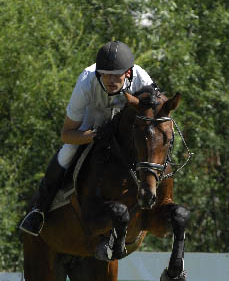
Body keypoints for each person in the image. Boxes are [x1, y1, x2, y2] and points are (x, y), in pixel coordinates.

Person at [18, 40, 158, 236]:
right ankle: (39, 209)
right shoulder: (86, 82)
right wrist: (94, 135)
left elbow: (157, 116)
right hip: (92, 122)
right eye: (105, 74)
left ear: (128, 73)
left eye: (116, 75)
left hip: (126, 129)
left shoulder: (142, 79)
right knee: (67, 152)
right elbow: (67, 134)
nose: (110, 80)